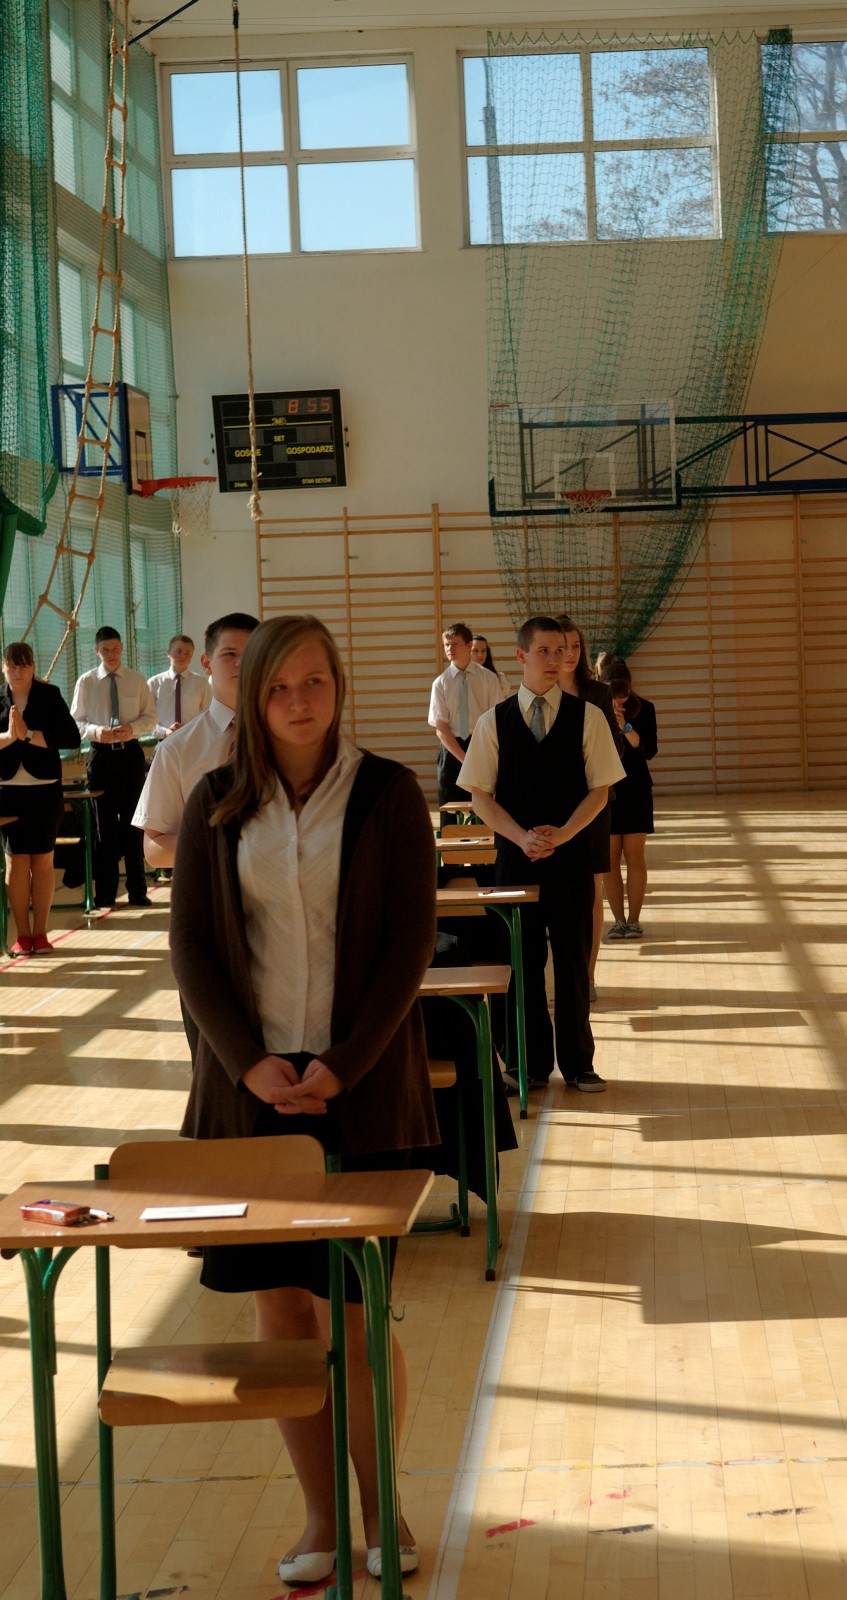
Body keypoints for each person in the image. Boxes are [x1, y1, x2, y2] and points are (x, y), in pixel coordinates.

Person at [169, 614, 437, 1585]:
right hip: (250, 1098)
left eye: (314, 681)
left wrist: (345, 1063)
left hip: (360, 1092)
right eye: (279, 687)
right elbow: (193, 948)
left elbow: (409, 944)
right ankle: (320, 1516)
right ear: (253, 697)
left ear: (338, 685)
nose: (298, 701)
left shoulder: (388, 793)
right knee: (282, 1313)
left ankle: (382, 1510)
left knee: (359, 1311)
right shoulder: (214, 801)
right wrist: (248, 1065)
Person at [459, 614, 624, 1093]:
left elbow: (601, 790)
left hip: (571, 861)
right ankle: (527, 1065)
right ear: (521, 656)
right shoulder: (493, 721)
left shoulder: (588, 717)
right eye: (545, 651)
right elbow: (480, 797)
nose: (556, 659)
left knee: (572, 964)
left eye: (563, 650)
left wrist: (566, 834)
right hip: (516, 861)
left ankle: (579, 1064)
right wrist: (520, 836)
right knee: (523, 965)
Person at [133, 612, 259, 869]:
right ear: (206, 663)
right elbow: (154, 850)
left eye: (252, 654)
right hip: (211, 887)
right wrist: (226, 844)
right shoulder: (176, 749)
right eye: (230, 654)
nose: (241, 663)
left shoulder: (289, 740)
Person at [0, 642, 81, 954]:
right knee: (16, 861)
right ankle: (22, 935)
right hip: (8, 790)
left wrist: (29, 735)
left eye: (24, 665)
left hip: (45, 789)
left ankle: (41, 933)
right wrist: (10, 737)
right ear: (3, 667)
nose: (18, 671)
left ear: (33, 667)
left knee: (43, 860)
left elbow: (71, 738)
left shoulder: (49, 695)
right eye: (12, 665)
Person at [70, 625, 157, 907]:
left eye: (116, 648)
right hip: (101, 757)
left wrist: (132, 729)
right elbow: (76, 722)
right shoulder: (86, 682)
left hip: (130, 755)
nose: (111, 654)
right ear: (97, 651)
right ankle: (105, 892)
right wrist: (96, 731)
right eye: (105, 650)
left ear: (122, 648)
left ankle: (138, 890)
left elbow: (151, 718)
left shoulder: (136, 680)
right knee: (104, 827)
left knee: (134, 824)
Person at [557, 613, 619, 999]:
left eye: (576, 646)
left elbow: (613, 749)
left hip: (594, 802)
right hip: (552, 805)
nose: (570, 653)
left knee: (592, 892)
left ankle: (589, 974)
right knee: (559, 894)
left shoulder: (597, 693)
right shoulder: (538, 693)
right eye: (562, 647)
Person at [603, 663, 657, 940]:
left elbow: (648, 749)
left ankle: (634, 920)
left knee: (635, 856)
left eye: (622, 694)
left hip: (636, 789)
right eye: (613, 694)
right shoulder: (594, 710)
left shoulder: (645, 708)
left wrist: (624, 727)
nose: (618, 700)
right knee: (610, 858)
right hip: (606, 790)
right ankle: (618, 921)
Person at [427, 621, 503, 805]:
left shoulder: (488, 678)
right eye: (447, 644)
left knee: (484, 808)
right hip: (452, 750)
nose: (450, 649)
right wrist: (464, 758)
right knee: (450, 809)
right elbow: (441, 728)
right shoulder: (440, 683)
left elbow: (497, 718)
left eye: (455, 644)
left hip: (481, 746)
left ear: (469, 645)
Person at [148, 633, 212, 737]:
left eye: (187, 653)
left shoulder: (201, 683)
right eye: (179, 651)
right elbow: (147, 719)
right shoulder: (154, 683)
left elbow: (209, 715)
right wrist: (165, 732)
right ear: (169, 652)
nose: (183, 656)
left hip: (193, 739)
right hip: (164, 740)